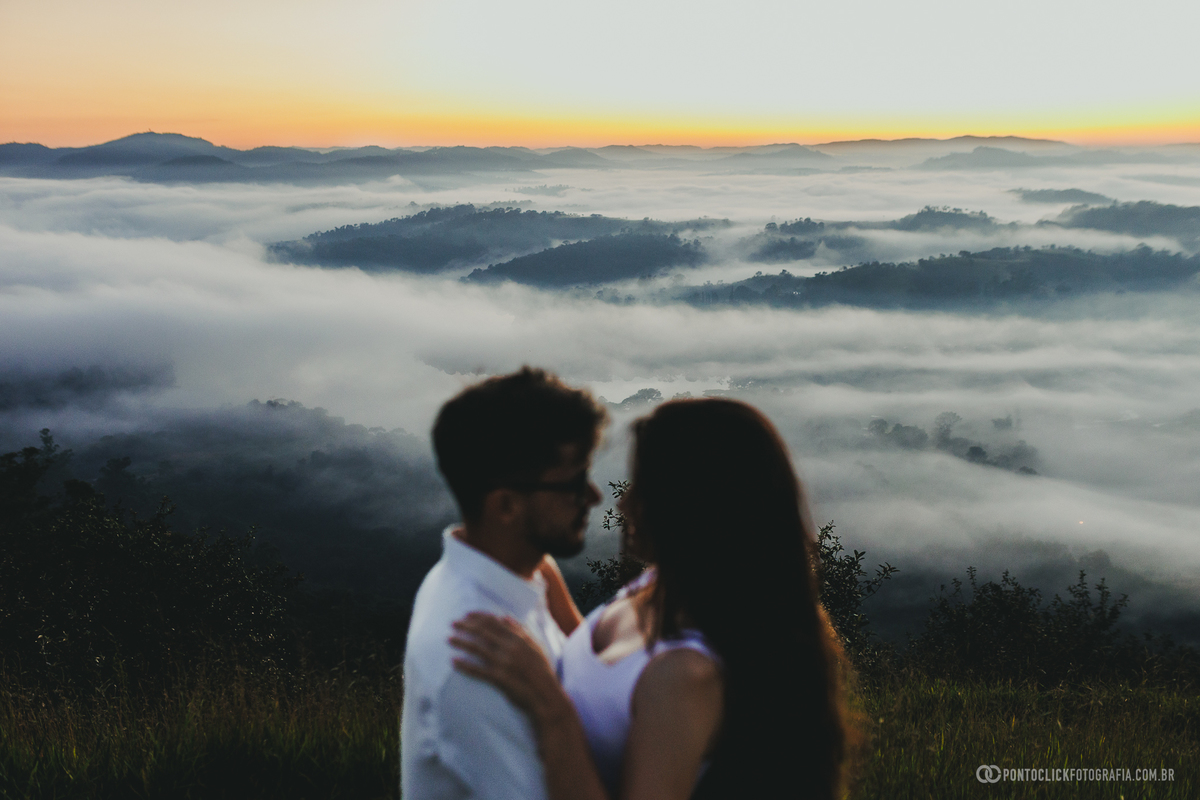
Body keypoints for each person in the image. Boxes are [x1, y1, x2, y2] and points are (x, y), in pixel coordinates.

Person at [451, 398, 853, 800]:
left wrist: (550, 711)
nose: (624, 504)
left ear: (694, 504)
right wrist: (536, 568)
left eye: (643, 488)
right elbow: (611, 678)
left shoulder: (682, 677)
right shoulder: (659, 585)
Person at [401, 367, 608, 800]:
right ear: (507, 506)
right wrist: (555, 714)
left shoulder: (515, 577)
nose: (592, 497)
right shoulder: (475, 660)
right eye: (572, 482)